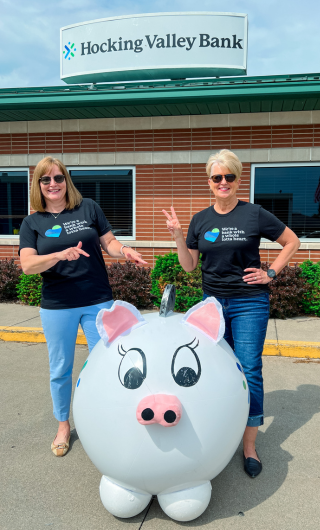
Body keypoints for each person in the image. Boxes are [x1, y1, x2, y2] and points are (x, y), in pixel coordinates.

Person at [163, 149, 300, 478]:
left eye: (229, 176)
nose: (223, 182)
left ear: (239, 179)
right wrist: (180, 237)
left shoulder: (254, 214)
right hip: (212, 305)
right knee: (216, 369)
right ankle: (219, 431)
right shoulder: (200, 220)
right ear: (209, 182)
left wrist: (272, 273)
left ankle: (249, 445)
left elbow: (291, 241)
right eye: (217, 177)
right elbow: (190, 265)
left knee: (249, 369)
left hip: (249, 302)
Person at [19, 156, 147, 457]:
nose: (53, 184)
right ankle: (63, 425)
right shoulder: (32, 222)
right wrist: (58, 256)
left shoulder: (88, 207)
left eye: (58, 178)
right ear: (38, 184)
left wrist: (125, 250)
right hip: (57, 305)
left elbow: (110, 243)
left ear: (67, 180)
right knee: (60, 370)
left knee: (105, 364)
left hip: (96, 300)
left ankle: (109, 419)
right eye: (46, 179)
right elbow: (27, 264)